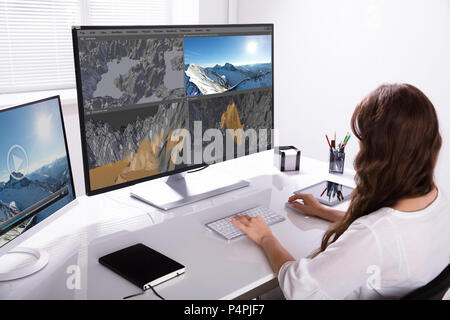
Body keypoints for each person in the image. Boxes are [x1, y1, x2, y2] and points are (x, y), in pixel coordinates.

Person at [231, 83, 450, 299]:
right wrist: (323, 211)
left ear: (379, 153)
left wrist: (265, 237)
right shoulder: (437, 199)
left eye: (364, 141)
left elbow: (299, 289)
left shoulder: (375, 235)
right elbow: (394, 232)